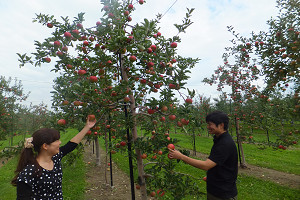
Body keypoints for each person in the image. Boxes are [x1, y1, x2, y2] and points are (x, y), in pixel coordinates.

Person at [11, 116, 96, 200]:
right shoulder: (29, 171)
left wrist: (87, 127)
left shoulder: (55, 159)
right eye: (56, 140)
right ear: (45, 146)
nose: (60, 142)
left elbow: (71, 145)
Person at [168, 111, 238, 200]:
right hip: (218, 190)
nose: (208, 127)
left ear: (221, 125)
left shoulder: (224, 144)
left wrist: (181, 156)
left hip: (223, 194)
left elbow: (206, 165)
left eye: (210, 124)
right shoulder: (220, 139)